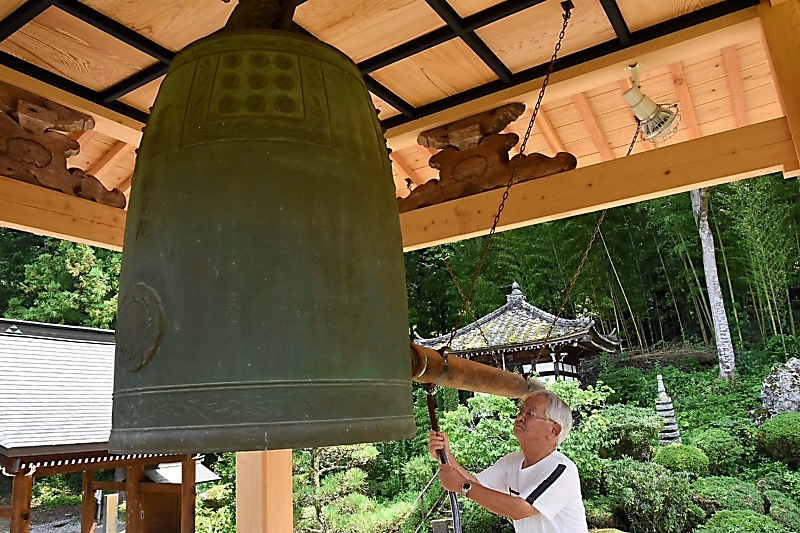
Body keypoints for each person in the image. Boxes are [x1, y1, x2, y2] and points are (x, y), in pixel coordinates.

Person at [428, 389, 588, 533]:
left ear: (554, 430)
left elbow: (519, 509)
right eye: (521, 411)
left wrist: (462, 486)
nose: (520, 417)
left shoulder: (561, 469)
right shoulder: (512, 461)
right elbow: (477, 485)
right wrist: (446, 456)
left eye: (530, 413)